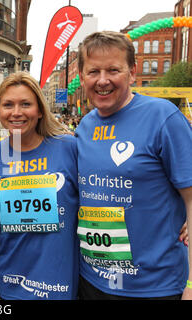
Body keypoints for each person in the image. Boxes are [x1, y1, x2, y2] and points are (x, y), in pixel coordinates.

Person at [75, 31, 192, 300]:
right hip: (92, 281)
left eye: (113, 70)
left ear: (132, 72)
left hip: (154, 287)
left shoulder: (163, 117)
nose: (102, 80)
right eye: (94, 71)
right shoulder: (85, 126)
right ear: (82, 77)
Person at [0, 71, 79, 300]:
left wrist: (180, 214)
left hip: (60, 284)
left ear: (40, 110)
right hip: (13, 281)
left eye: (25, 104)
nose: (16, 112)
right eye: (8, 105)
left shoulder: (69, 147)